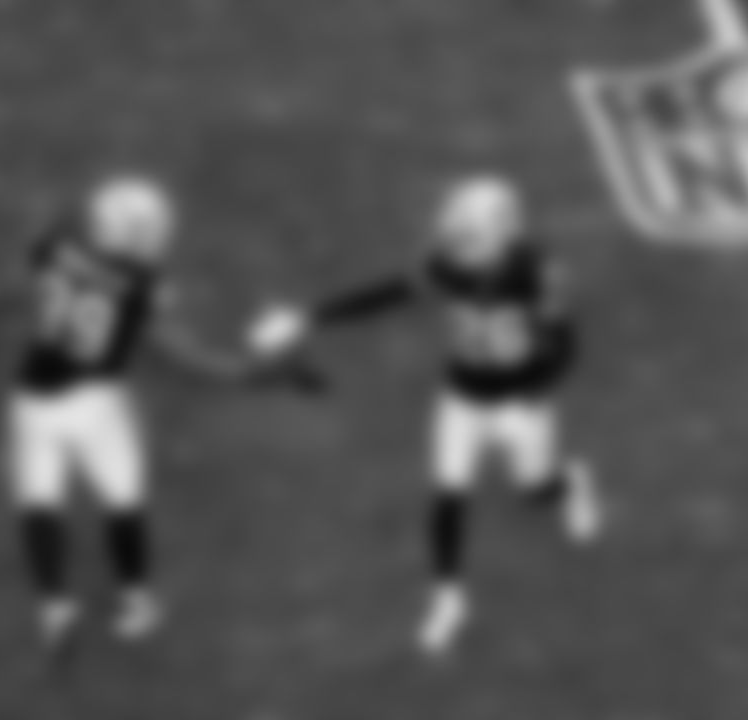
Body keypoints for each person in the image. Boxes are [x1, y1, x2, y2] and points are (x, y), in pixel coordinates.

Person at [0, 175, 318, 660]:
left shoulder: (56, 254)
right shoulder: (138, 295)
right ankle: (136, 601)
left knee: (39, 502)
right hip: (96, 404)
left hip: (33, 400)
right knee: (124, 500)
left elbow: (3, 294)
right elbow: (191, 364)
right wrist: (268, 377)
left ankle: (55, 607)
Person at [247, 174, 602, 657]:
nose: (459, 249)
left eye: (470, 238)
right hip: (461, 395)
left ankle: (573, 481)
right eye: (457, 237)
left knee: (537, 491)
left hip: (521, 400)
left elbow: (564, 347)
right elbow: (390, 293)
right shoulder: (451, 264)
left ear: (504, 234)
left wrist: (531, 396)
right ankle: (448, 597)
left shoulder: (539, 272)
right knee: (448, 494)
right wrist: (309, 316)